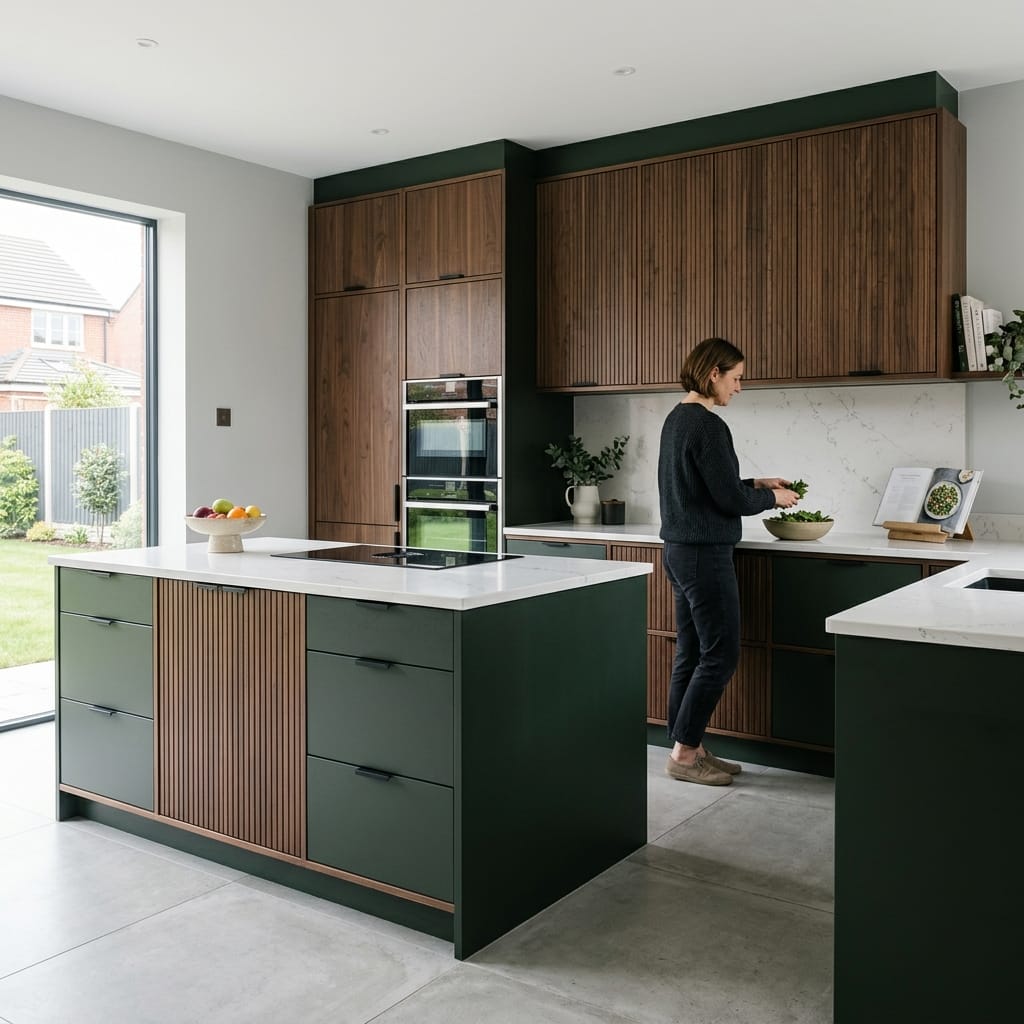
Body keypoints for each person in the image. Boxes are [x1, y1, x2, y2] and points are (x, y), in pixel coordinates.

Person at [658, 337, 799, 786]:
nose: (740, 387)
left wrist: (755, 480)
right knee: (720, 655)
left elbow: (705, 485)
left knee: (693, 652)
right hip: (704, 555)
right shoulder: (709, 425)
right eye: (736, 377)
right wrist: (771, 497)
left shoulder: (676, 419)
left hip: (680, 552)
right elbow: (729, 499)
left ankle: (689, 747)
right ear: (713, 374)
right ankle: (684, 755)